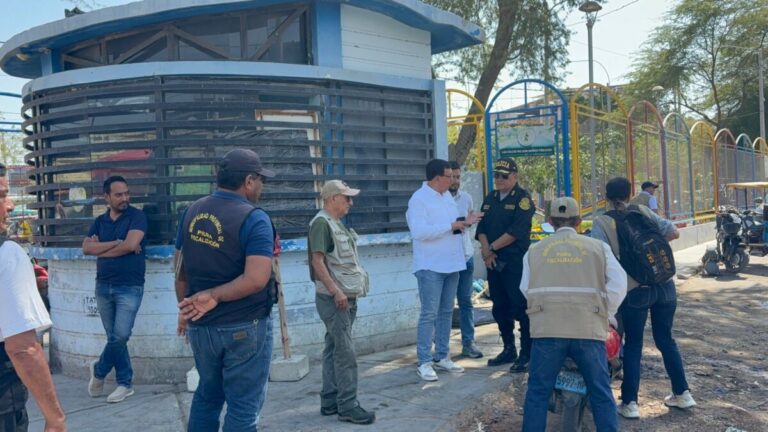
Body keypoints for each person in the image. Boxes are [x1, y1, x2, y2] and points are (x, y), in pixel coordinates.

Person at [176, 148, 277, 432]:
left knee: (208, 396)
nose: (261, 186)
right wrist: (214, 296)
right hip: (245, 326)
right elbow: (257, 278)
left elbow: (181, 269)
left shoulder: (190, 211)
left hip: (202, 328)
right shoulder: (254, 218)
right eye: (260, 180)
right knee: (243, 407)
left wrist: (185, 309)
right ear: (248, 181)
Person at [592, 177, 696, 419]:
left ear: (606, 196)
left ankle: (630, 403)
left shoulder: (602, 222)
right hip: (664, 285)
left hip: (635, 290)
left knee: (635, 345)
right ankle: (682, 394)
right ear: (629, 195)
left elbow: (597, 256)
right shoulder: (643, 212)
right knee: (666, 340)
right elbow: (673, 232)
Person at [520, 197, 627, 432]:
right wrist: (606, 313)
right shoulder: (598, 248)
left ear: (550, 222)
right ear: (579, 222)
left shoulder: (535, 250)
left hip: (548, 330)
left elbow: (526, 289)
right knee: (600, 391)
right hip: (588, 330)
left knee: (538, 392)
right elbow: (619, 284)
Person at [0, 163, 67, 432]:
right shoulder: (7, 255)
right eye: (2, 195)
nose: (11, 205)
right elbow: (23, 348)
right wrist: (56, 419)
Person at [406, 159, 480, 381]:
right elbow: (419, 232)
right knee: (429, 313)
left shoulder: (447, 197)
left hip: (452, 262)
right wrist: (451, 226)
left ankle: (442, 355)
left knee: (446, 312)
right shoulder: (418, 200)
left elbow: (453, 227)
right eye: (449, 176)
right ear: (437, 178)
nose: (453, 180)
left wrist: (465, 222)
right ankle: (424, 361)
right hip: (430, 265)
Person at [308, 180, 375, 425]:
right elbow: (318, 262)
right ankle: (347, 406)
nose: (350, 202)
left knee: (333, 348)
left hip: (343, 298)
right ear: (333, 198)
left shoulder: (335, 224)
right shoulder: (321, 224)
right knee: (346, 353)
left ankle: (329, 400)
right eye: (346, 198)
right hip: (335, 300)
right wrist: (336, 291)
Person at [82, 175, 147, 403]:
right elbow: (86, 249)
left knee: (120, 336)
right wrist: (115, 244)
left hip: (129, 286)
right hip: (103, 285)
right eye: (119, 194)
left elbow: (131, 245)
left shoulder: (137, 217)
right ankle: (124, 383)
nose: (125, 198)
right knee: (114, 338)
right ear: (106, 197)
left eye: (127, 193)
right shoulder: (99, 221)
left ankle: (100, 370)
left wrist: (103, 248)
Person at [475, 157, 535, 373]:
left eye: (504, 176)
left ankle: (527, 352)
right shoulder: (490, 197)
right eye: (496, 175)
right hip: (492, 261)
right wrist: (485, 250)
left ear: (515, 177)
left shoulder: (523, 199)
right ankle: (509, 348)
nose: (499, 179)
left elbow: (516, 232)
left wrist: (490, 248)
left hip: (514, 262)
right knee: (499, 306)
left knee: (520, 306)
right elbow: (481, 227)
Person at [448, 161, 483, 358]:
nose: (455, 180)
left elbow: (468, 226)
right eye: (451, 176)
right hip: (446, 260)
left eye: (458, 177)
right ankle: (441, 348)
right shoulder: (440, 200)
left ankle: (468, 343)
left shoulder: (466, 198)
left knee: (466, 301)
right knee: (444, 305)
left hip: (465, 256)